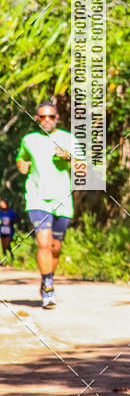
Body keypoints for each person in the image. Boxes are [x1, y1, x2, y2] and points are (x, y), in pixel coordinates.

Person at [16, 101, 76, 309]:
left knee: (55, 248)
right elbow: (21, 159)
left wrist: (69, 157)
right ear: (37, 118)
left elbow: (84, 168)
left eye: (51, 116)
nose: (47, 120)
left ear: (57, 117)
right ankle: (49, 288)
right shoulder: (29, 140)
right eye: (43, 117)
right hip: (37, 198)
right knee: (43, 243)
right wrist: (21, 166)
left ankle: (46, 279)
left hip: (63, 200)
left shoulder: (68, 139)